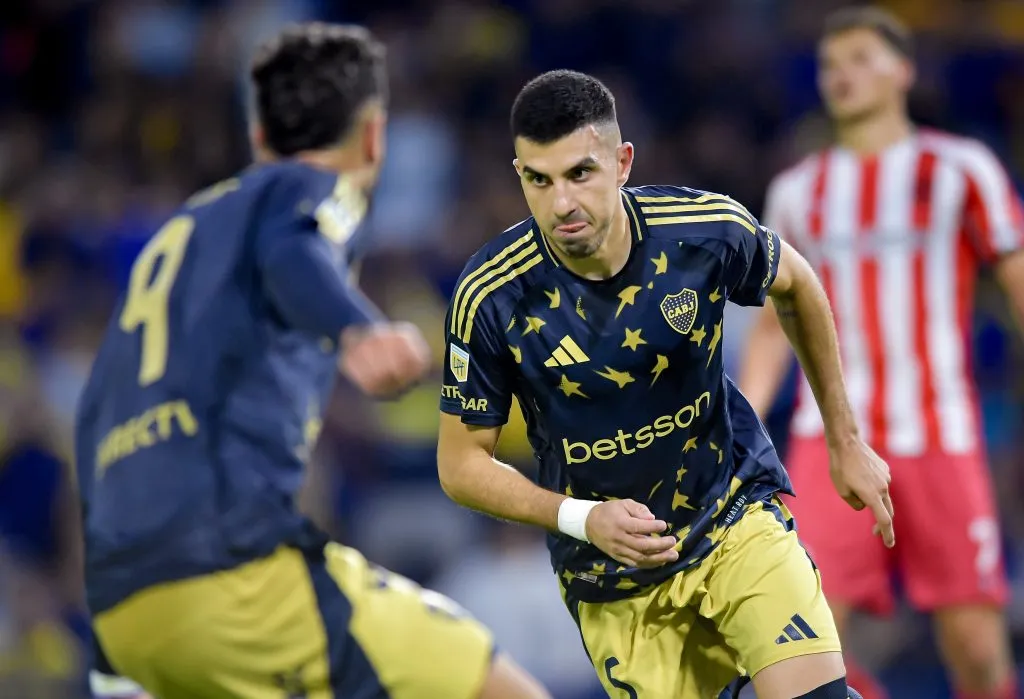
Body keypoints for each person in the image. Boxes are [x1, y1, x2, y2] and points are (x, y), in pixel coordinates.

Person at [74, 22, 550, 699]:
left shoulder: (176, 243)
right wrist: (359, 330)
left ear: (258, 134)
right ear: (374, 136)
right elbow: (294, 246)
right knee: (496, 685)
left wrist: (113, 662)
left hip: (125, 608)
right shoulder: (307, 188)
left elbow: (99, 418)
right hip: (234, 576)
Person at [436, 68, 888, 699]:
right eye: (539, 180)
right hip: (612, 574)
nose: (561, 203)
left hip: (733, 519)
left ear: (622, 163)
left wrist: (845, 439)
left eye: (580, 173)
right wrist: (581, 517)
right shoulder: (490, 295)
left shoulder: (701, 230)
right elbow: (460, 464)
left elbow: (799, 284)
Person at [738, 8, 1024, 699]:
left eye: (861, 58)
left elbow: (1015, 278)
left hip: (939, 433)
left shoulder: (960, 169)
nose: (843, 74)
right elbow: (774, 325)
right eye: (830, 64)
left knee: (976, 647)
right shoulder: (796, 191)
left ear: (903, 71)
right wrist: (741, 422)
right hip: (828, 438)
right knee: (804, 639)